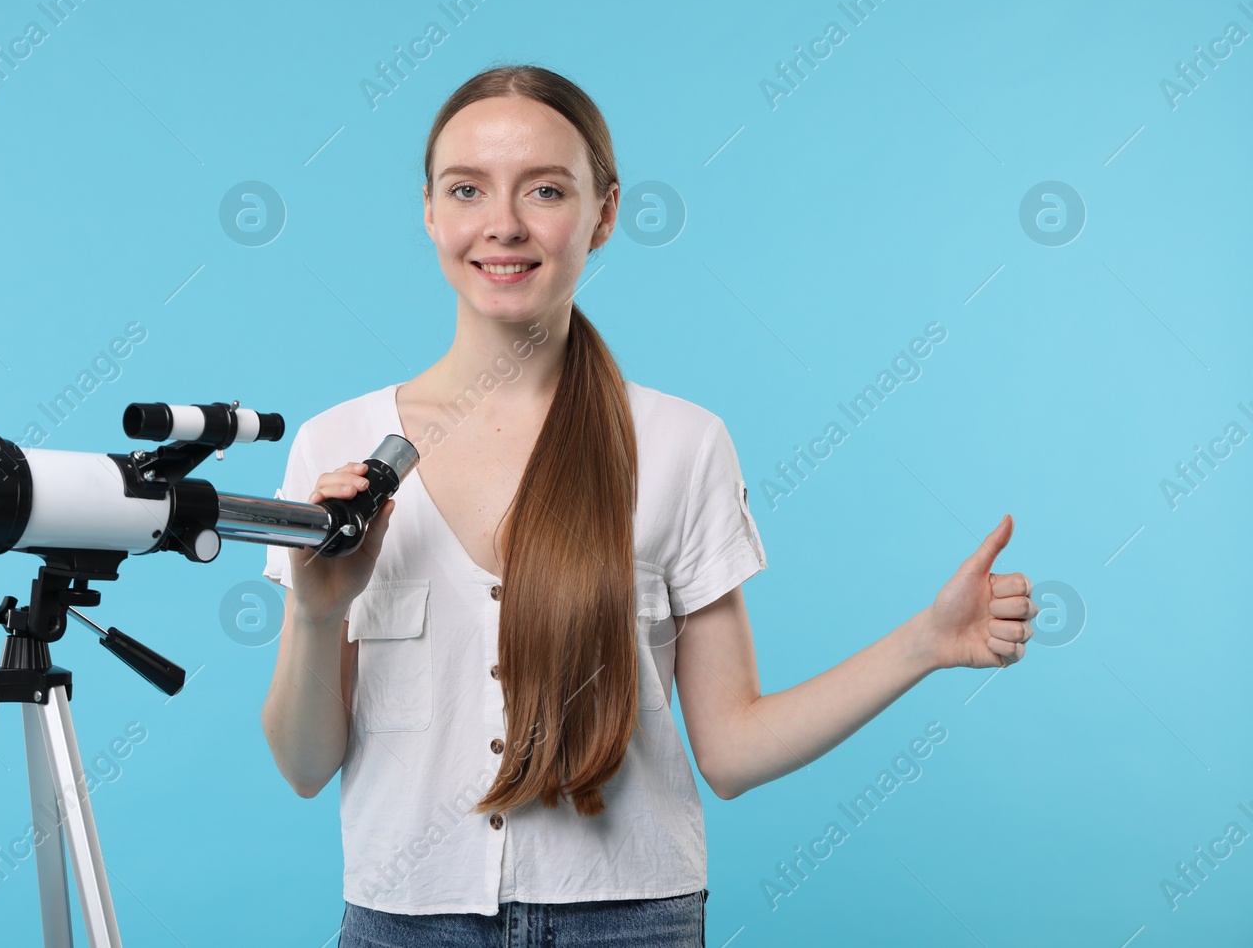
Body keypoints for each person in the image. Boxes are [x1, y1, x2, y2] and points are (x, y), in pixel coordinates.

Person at [260, 64, 1036, 947]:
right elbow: (303, 764)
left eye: (545, 189)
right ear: (431, 213)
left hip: (630, 920)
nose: (503, 224)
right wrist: (321, 615)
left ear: (605, 213)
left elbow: (732, 749)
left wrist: (925, 643)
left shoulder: (682, 444)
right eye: (468, 188)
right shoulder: (337, 449)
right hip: (403, 921)